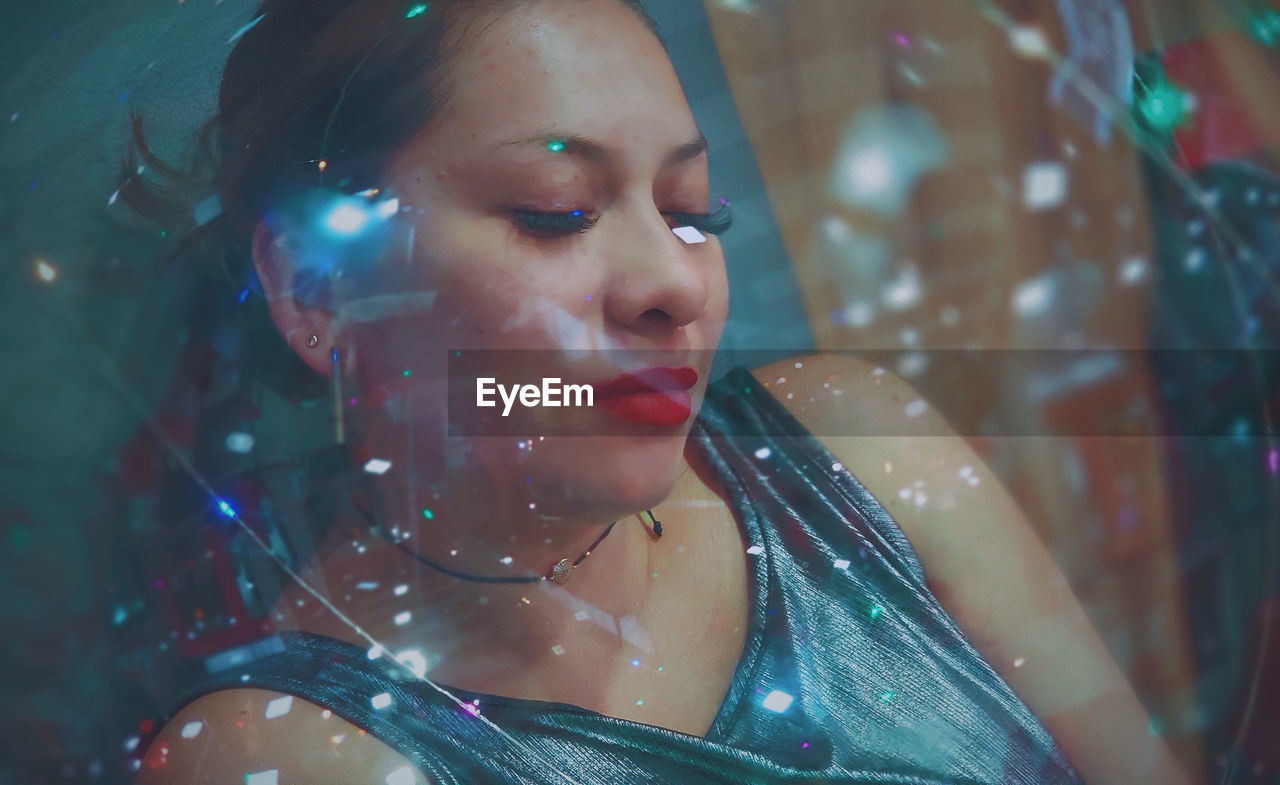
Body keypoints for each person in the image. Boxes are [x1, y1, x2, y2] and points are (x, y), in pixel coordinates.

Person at [132, 1, 1196, 783]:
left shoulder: (847, 444)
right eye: (554, 211)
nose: (676, 283)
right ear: (316, 287)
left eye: (692, 210)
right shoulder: (276, 749)